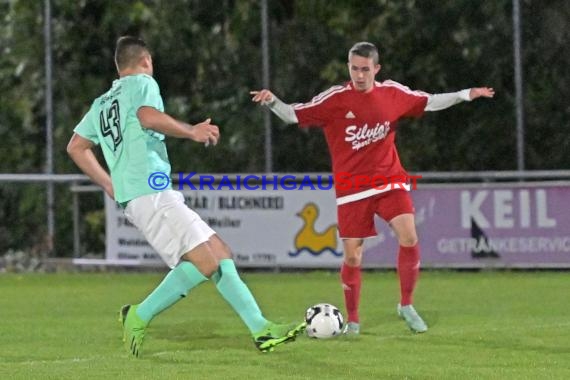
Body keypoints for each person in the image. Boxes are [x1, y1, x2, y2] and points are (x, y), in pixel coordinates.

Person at [67, 36, 305, 357]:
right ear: (146, 61)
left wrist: (110, 184)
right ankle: (140, 314)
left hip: (146, 192)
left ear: (117, 65)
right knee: (205, 262)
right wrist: (192, 131)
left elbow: (76, 146)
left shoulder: (102, 103)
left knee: (219, 252)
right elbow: (148, 117)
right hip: (149, 193)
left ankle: (261, 329)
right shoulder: (142, 83)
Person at [251, 41, 494, 335]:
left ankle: (406, 304)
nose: (359, 75)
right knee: (353, 256)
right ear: (348, 68)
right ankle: (352, 320)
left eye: (365, 69)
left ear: (376, 69)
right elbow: (293, 115)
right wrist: (272, 101)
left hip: (389, 180)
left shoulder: (392, 93)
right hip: (352, 188)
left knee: (409, 235)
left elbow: (429, 101)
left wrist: (465, 95)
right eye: (354, 68)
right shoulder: (335, 99)